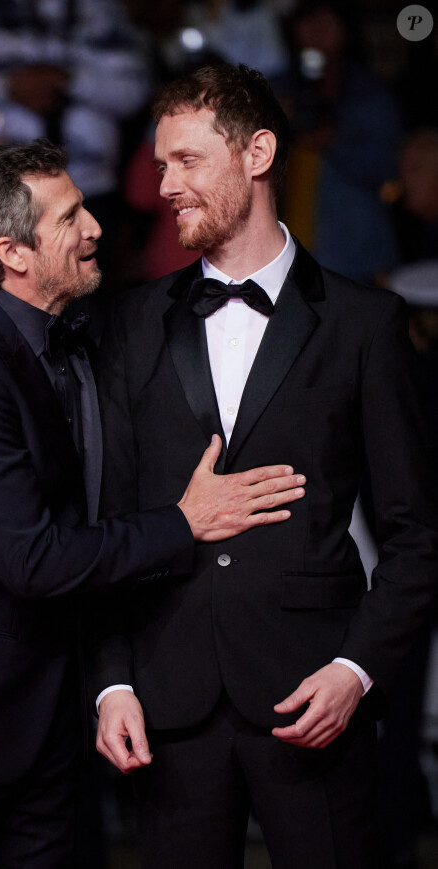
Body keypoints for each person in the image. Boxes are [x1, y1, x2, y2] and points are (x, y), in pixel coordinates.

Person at [0, 138, 305, 868]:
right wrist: (183, 523)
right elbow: (32, 557)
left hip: (49, 724)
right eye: (70, 218)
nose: (95, 226)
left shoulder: (83, 343)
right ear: (14, 252)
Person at [90, 63, 438, 869]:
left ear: (258, 153)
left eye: (186, 160)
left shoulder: (363, 323)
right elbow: (108, 525)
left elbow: (417, 535)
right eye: (160, 160)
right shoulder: (132, 326)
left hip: (313, 697)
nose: (164, 183)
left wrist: (355, 671)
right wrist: (111, 684)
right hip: (167, 708)